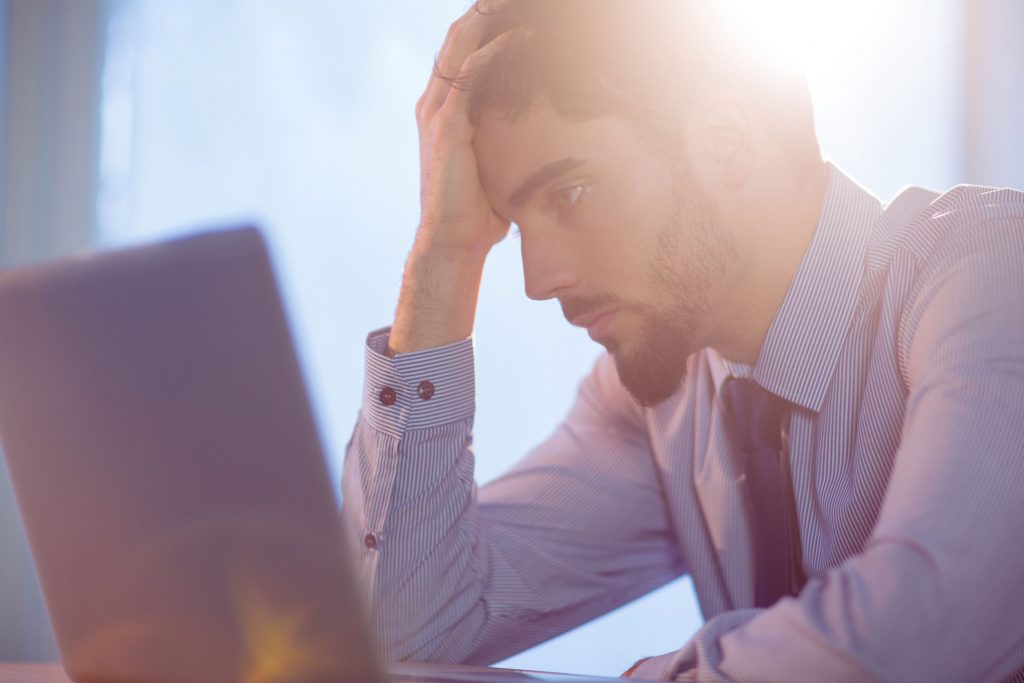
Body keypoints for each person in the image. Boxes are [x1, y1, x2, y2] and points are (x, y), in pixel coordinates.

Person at [340, 1, 1024, 680]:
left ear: (723, 142)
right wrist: (445, 251)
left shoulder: (993, 269)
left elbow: (920, 634)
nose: (537, 280)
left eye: (570, 195)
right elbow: (399, 632)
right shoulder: (658, 401)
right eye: (513, 225)